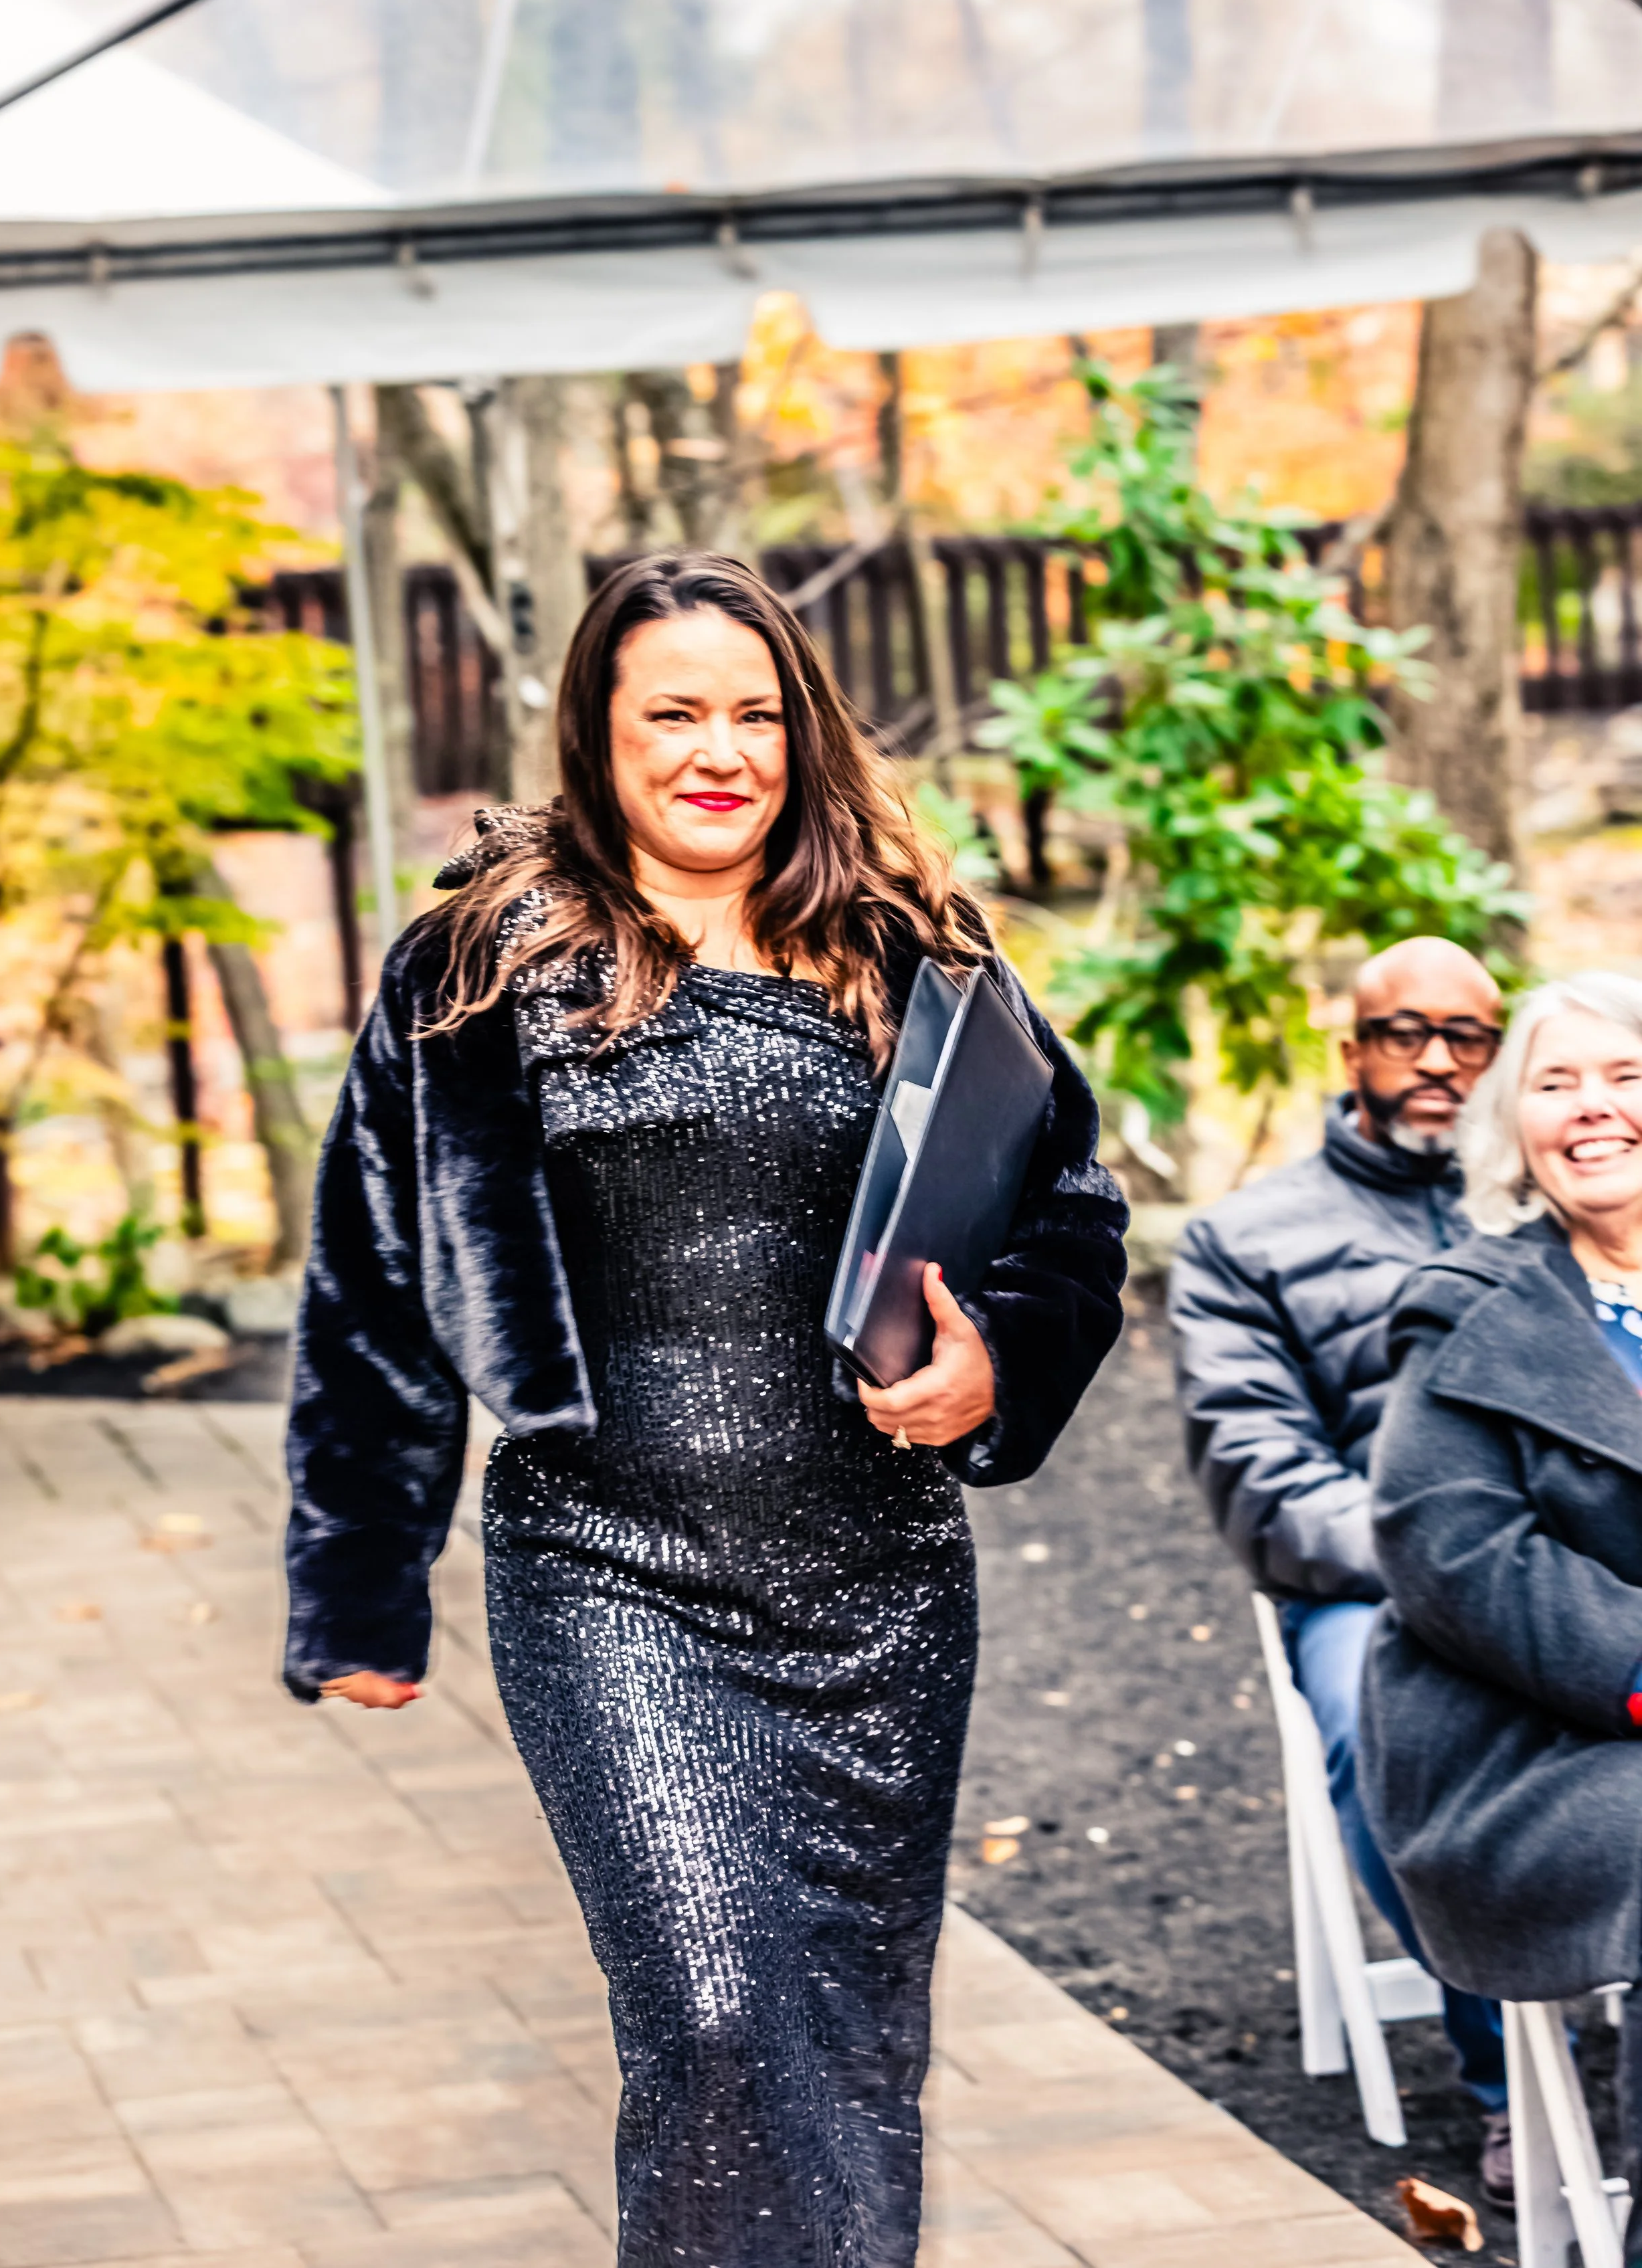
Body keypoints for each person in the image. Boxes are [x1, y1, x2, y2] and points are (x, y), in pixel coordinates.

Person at [282, 553, 1128, 2268]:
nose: (717, 750)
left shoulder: (908, 949)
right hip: (610, 1575)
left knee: (850, 2037)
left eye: (755, 712)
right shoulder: (478, 965)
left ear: (802, 734)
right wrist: (360, 1589)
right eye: (671, 711)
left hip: (877, 1582)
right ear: (596, 735)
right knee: (717, 2017)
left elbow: (1070, 1209)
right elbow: (373, 1281)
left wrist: (997, 1365)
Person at [1168, 935, 1512, 2186]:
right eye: (1403, 1033)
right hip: (1374, 1588)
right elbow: (1265, 1481)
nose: (1436, 1061)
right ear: (1353, 1049)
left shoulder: (1561, 1205)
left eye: (1466, 1036)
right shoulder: (1245, 1240)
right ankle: (1509, 2074)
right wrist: (1453, 1571)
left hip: (1576, 1565)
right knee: (1392, 1717)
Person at [1360, 971, 1642, 2260]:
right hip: (1523, 1748)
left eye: (1625, 1075)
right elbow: (1457, 1554)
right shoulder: (1468, 1306)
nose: (1595, 1108)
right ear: (1514, 1129)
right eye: (1556, 1081)